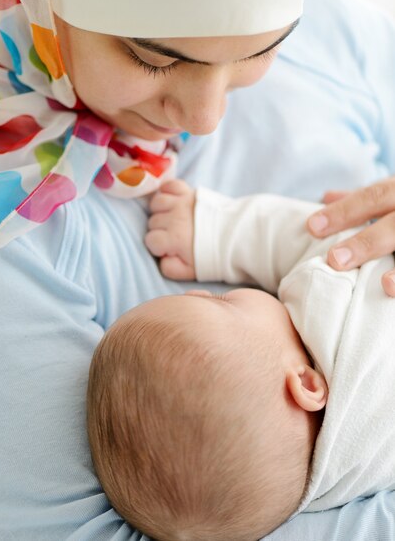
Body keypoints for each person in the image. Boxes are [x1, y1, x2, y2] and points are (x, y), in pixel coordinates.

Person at [0, 0, 395, 539]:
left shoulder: (328, 32)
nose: (206, 117)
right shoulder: (4, 241)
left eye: (261, 50)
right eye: (151, 57)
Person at [87, 177, 395, 541]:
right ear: (307, 384)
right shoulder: (327, 298)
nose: (201, 291)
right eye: (221, 303)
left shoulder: (362, 479)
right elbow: (324, 238)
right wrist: (215, 234)